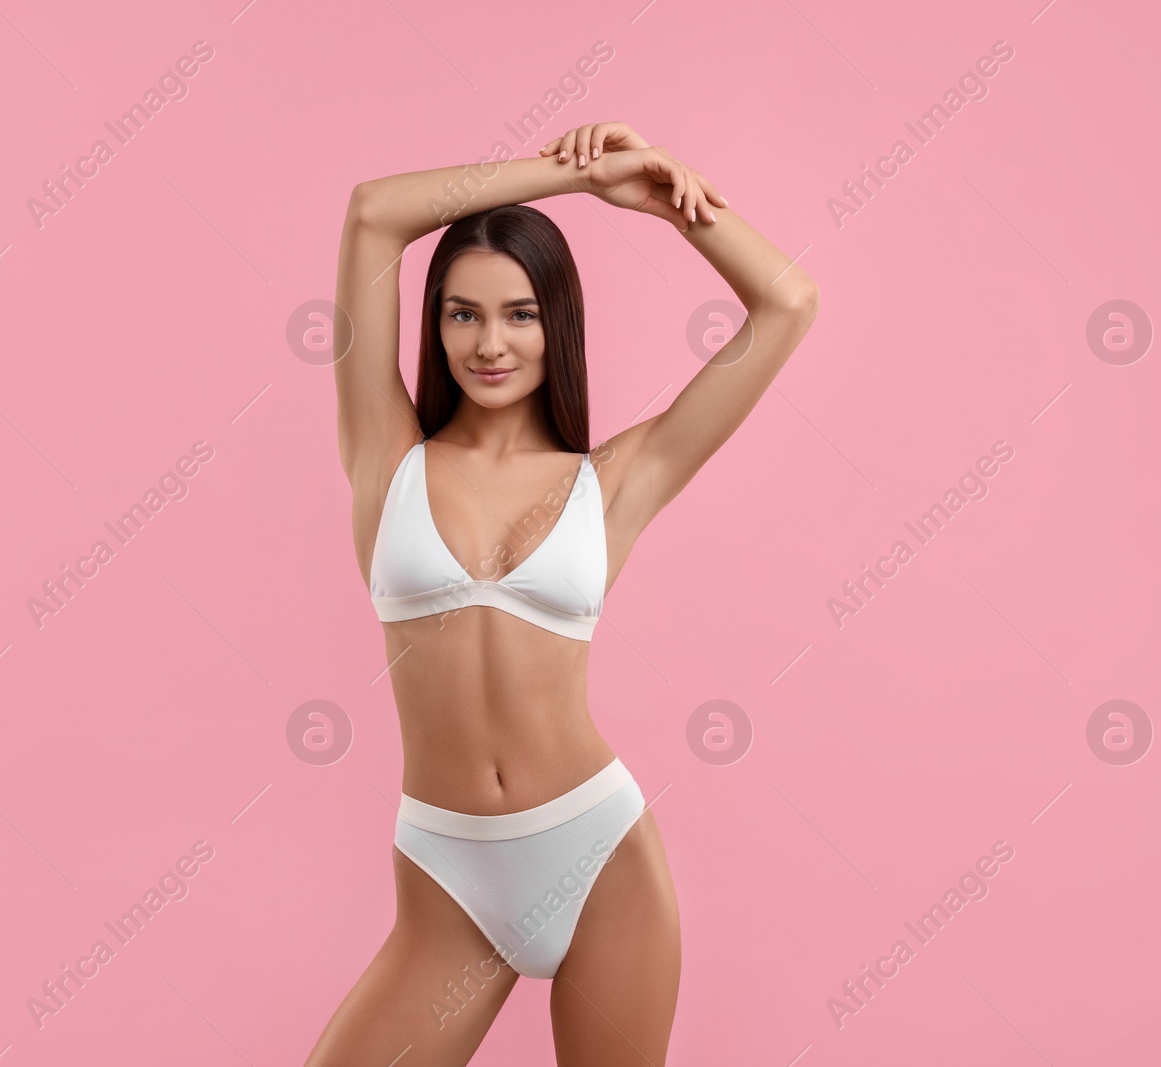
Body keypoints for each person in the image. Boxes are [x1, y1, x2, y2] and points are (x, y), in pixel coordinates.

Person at [308, 121, 819, 1066]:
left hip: (599, 856)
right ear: (434, 325)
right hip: (447, 873)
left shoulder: (615, 479)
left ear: (558, 324)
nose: (489, 342)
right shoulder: (385, 457)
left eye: (520, 314)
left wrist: (671, 209)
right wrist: (572, 180)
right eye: (463, 314)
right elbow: (373, 215)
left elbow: (788, 301)